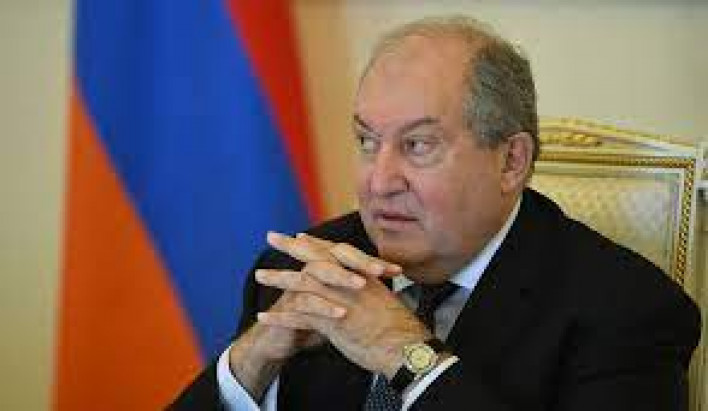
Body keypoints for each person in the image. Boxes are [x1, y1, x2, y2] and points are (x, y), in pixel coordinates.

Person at [170, 16, 701, 410]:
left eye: (418, 145)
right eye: (367, 141)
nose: (379, 182)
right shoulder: (304, 269)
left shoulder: (626, 312)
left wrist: (409, 356)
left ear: (511, 161)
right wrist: (253, 362)